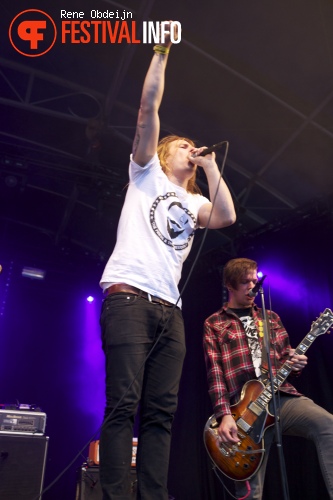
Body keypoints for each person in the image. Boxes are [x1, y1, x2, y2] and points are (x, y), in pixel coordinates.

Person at [98, 21, 236, 500]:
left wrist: (211, 164)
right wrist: (161, 51)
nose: (187, 148)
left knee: (161, 412)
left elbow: (226, 215)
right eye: (181, 145)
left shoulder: (195, 202)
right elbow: (147, 109)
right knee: (123, 405)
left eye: (190, 147)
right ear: (162, 153)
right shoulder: (145, 174)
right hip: (130, 297)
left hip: (170, 311)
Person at [203, 257, 333, 499]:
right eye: (245, 282)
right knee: (251, 490)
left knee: (328, 425)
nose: (253, 287)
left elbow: (286, 359)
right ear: (230, 286)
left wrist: (297, 362)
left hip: (281, 397)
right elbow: (215, 374)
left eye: (255, 281)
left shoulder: (270, 317)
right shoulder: (214, 323)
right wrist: (225, 416)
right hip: (244, 410)